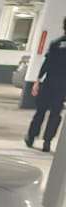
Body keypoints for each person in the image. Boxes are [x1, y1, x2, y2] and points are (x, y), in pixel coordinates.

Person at [27, 17, 66, 152]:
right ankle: (47, 142)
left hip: (49, 83)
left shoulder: (55, 44)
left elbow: (46, 64)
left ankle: (31, 137)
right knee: (55, 114)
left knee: (40, 112)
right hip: (62, 87)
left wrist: (37, 81)